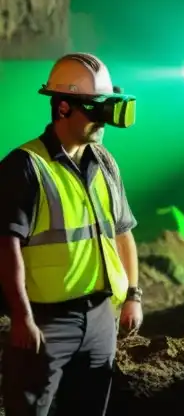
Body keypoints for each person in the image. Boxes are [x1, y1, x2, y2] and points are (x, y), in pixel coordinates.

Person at [0, 53, 143, 416]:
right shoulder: (25, 167)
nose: (104, 120)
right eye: (96, 109)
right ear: (63, 107)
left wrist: (133, 296)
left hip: (100, 317)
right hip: (46, 321)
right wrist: (21, 317)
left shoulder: (105, 162)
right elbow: (6, 247)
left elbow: (122, 233)